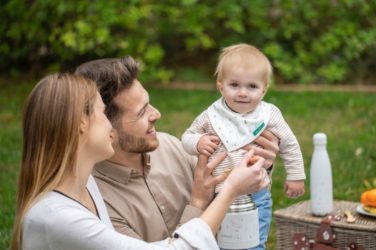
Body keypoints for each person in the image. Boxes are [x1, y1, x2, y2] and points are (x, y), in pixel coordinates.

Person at [10, 73, 269, 250]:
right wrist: (229, 191)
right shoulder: (58, 218)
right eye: (102, 113)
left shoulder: (82, 183)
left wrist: (253, 160)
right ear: (81, 123)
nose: (108, 125)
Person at [74, 56, 279, 242]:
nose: (156, 114)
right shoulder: (95, 202)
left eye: (149, 103)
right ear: (107, 127)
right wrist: (197, 202)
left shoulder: (172, 146)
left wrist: (258, 165)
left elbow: (235, 192)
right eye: (141, 112)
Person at [181, 43, 306, 249]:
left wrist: (295, 176)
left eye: (252, 87)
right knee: (218, 242)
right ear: (220, 86)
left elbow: (289, 144)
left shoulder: (269, 115)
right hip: (217, 195)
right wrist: (198, 142)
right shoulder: (211, 116)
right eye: (234, 85)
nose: (242, 93)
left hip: (255, 193)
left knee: (253, 242)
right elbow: (187, 136)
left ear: (264, 89)